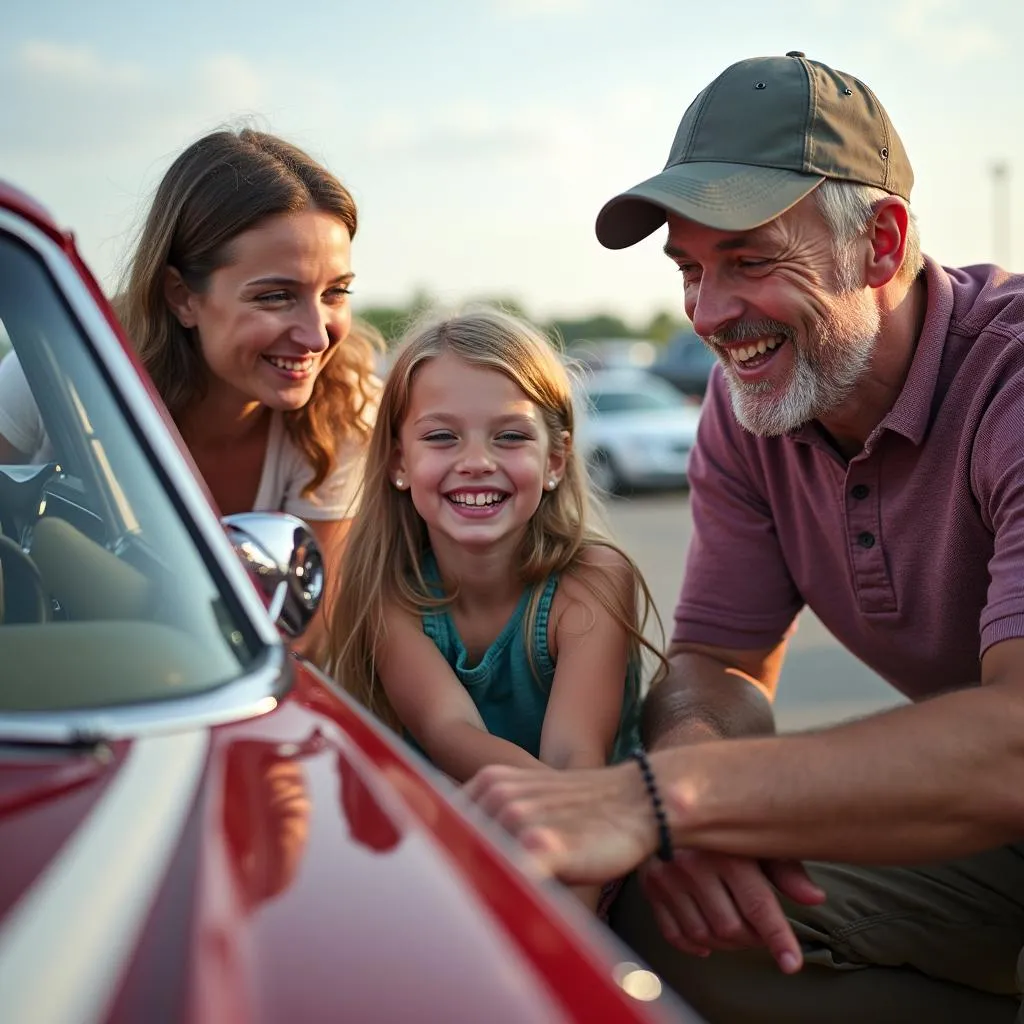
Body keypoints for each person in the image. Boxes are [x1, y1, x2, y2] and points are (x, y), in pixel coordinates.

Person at [466, 52, 1024, 1022]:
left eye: (750, 261)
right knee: (670, 914)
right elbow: (720, 662)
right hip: (988, 829)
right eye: (690, 269)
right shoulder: (750, 411)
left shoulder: (1009, 380)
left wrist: (654, 799)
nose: (708, 316)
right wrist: (694, 797)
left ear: (880, 243)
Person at [326, 305, 665, 908]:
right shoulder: (384, 587)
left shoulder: (593, 579)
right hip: (452, 853)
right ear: (400, 462)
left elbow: (573, 760)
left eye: (510, 435)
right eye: (440, 436)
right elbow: (450, 732)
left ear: (556, 461)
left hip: (599, 859)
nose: (477, 460)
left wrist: (573, 908)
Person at [0, 128, 379, 656]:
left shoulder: (345, 410)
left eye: (336, 292)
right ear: (182, 296)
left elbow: (304, 633)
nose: (317, 335)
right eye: (275, 296)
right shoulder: (49, 375)